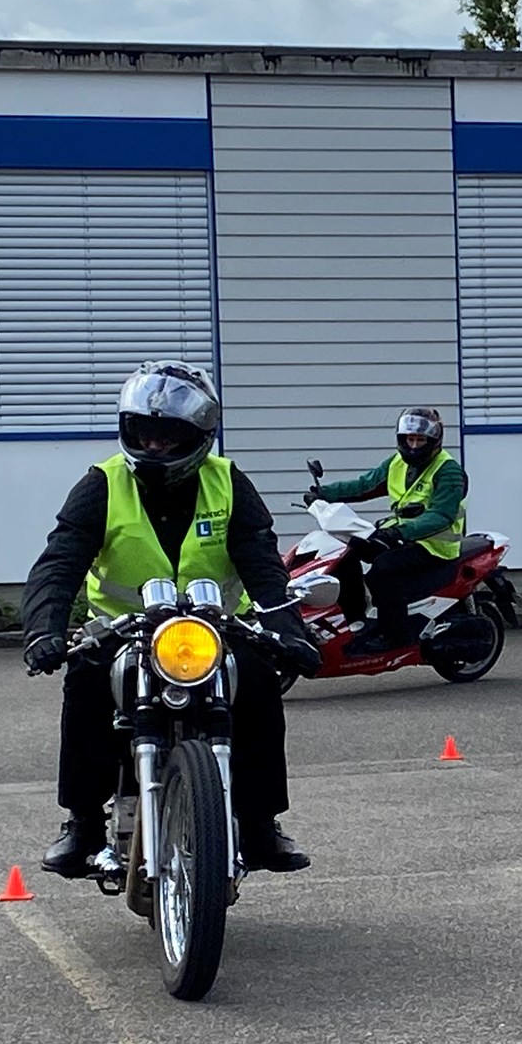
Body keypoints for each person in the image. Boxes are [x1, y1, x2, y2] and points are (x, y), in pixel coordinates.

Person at [20, 360, 322, 877]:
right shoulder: (102, 484)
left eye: (168, 436)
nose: (155, 446)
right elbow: (60, 561)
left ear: (198, 436)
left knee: (257, 683)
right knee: (88, 681)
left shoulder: (227, 482)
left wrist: (292, 635)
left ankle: (259, 823)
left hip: (218, 627)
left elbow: (263, 567)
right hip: (125, 629)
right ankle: (83, 822)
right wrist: (44, 629)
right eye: (145, 433)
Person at [304, 406, 467, 654]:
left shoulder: (449, 471)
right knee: (344, 552)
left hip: (434, 546)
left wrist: (400, 533)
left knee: (383, 571)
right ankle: (356, 618)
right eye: (409, 440)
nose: (413, 446)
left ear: (434, 441)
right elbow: (365, 485)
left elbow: (442, 515)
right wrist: (324, 493)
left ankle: (395, 636)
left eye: (419, 440)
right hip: (402, 535)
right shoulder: (396, 463)